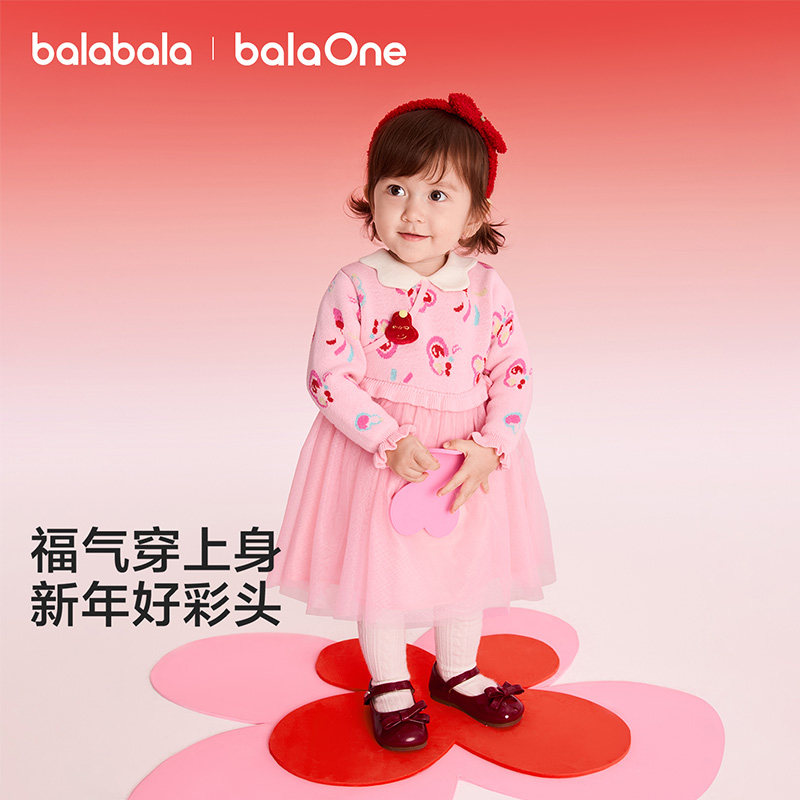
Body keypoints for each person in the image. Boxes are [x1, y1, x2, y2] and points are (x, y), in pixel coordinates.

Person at [268, 92, 555, 752]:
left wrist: (493, 447)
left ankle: (457, 670)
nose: (412, 211)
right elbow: (328, 376)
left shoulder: (486, 288)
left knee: (465, 563)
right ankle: (391, 682)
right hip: (380, 454)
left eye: (437, 194)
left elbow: (512, 371)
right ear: (370, 195)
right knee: (384, 570)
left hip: (464, 456)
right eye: (395, 188)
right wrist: (387, 440)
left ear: (474, 213)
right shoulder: (356, 284)